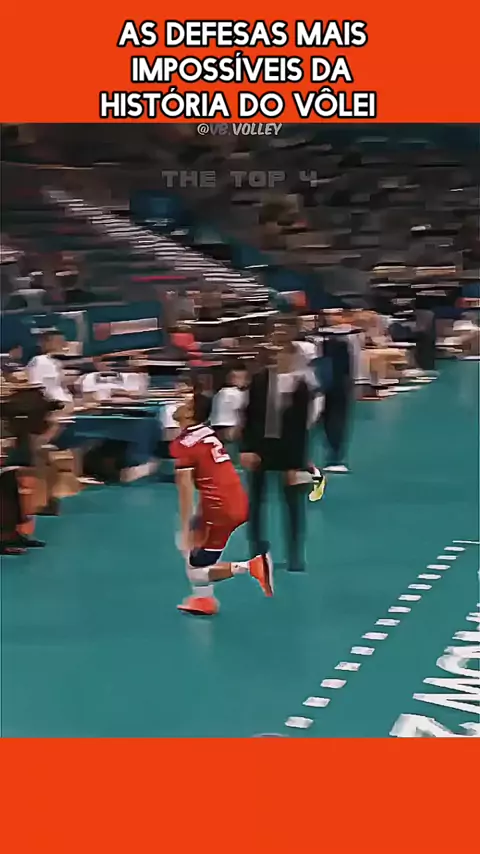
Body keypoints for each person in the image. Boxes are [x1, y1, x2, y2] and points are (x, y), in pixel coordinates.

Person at [169, 389, 273, 616]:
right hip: (232, 502)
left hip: (219, 510)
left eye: (184, 402)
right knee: (194, 555)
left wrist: (185, 527)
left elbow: (185, 489)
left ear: (190, 413)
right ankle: (204, 600)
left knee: (196, 567)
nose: (178, 404)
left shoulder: (185, 445)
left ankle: (252, 567)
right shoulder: (206, 433)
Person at [240, 335, 313, 573]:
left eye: (285, 354)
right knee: (256, 503)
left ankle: (295, 554)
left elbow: (301, 429)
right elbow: (248, 416)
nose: (280, 358)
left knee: (293, 505)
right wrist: (246, 449)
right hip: (260, 448)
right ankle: (256, 551)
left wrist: (297, 464)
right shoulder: (260, 380)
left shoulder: (301, 387)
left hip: (288, 451)